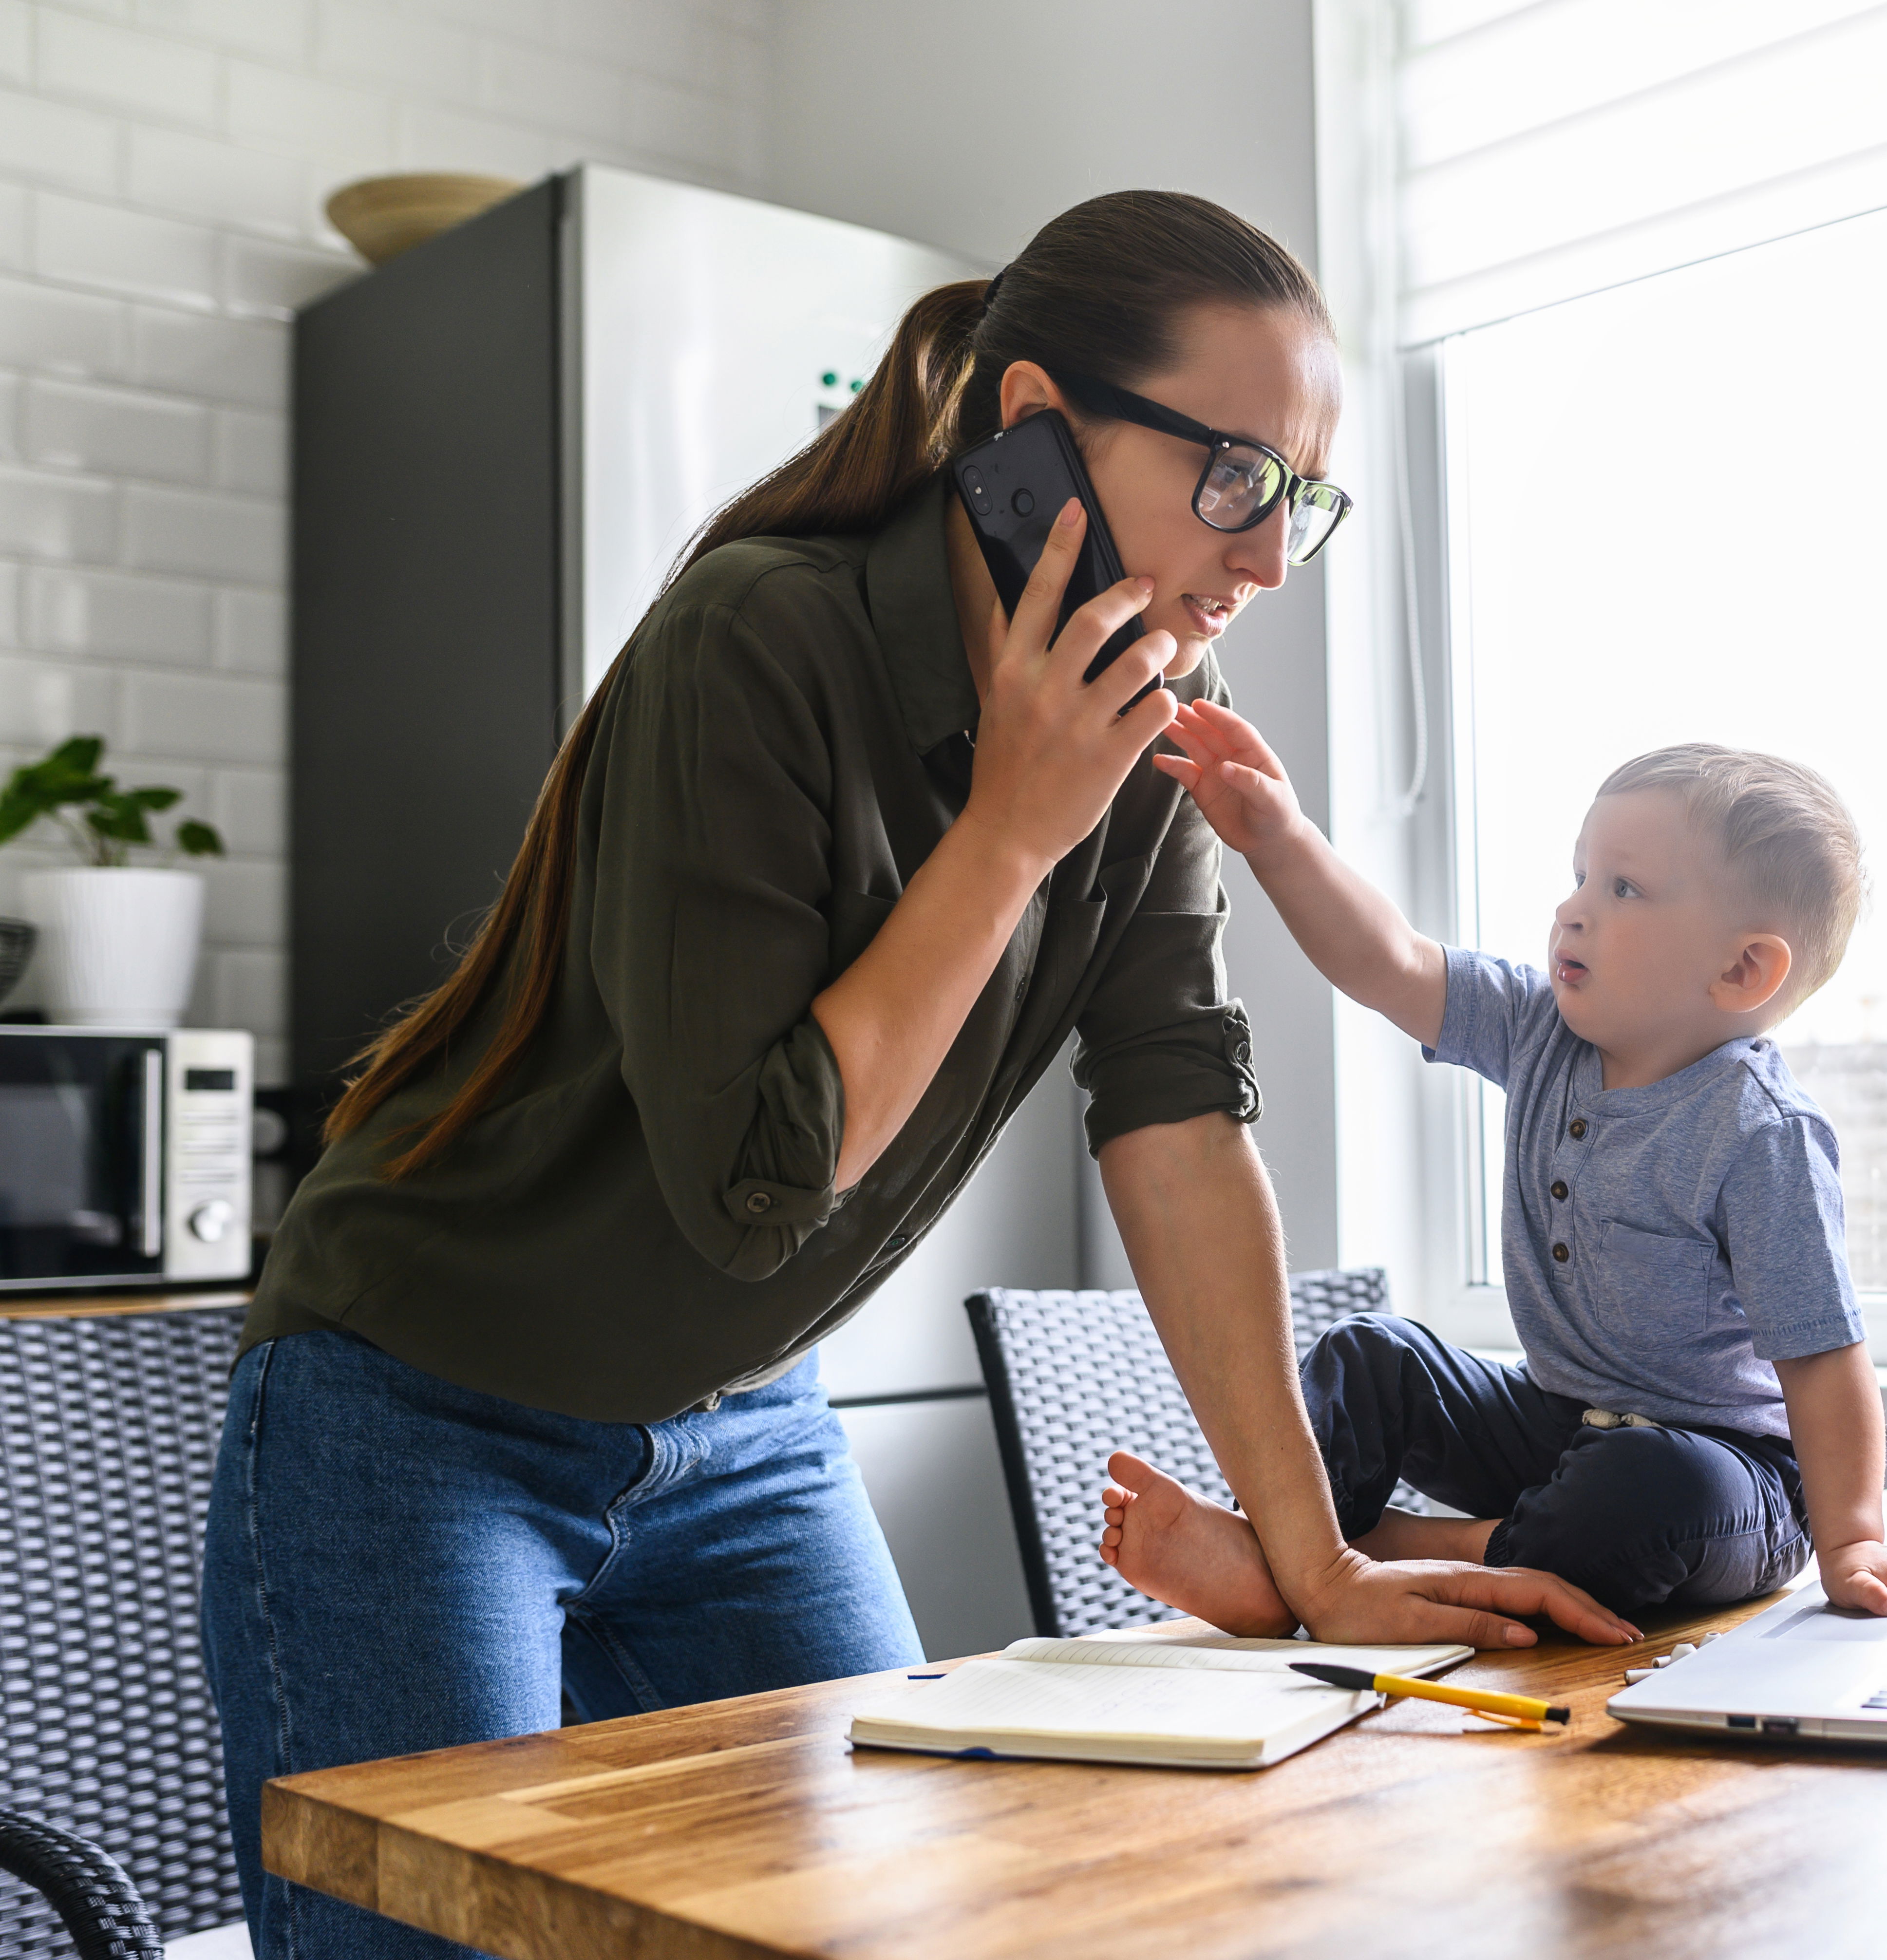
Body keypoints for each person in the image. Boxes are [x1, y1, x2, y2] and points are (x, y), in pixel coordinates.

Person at [203, 191, 1631, 1960]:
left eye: (1299, 499)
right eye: (1232, 477)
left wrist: (1316, 1560)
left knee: (899, 1924)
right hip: (422, 1411)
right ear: (1035, 425)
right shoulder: (761, 638)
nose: (1263, 559)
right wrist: (1013, 832)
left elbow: (1177, 1127)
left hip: (742, 1426)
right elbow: (755, 1188)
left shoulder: (1142, 713)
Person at [1099, 709, 1887, 1625]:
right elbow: (1391, 962)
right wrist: (1282, 841)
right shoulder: (1541, 1028)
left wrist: (1853, 1540)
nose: (1572, 907)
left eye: (1624, 889)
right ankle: (1298, 1556)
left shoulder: (1759, 1133)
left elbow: (1824, 1361)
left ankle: (1386, 1556)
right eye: (1581, 875)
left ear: (1742, 970)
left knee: (1643, 1490)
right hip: (1558, 1424)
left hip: (1726, 1479)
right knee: (1368, 1356)